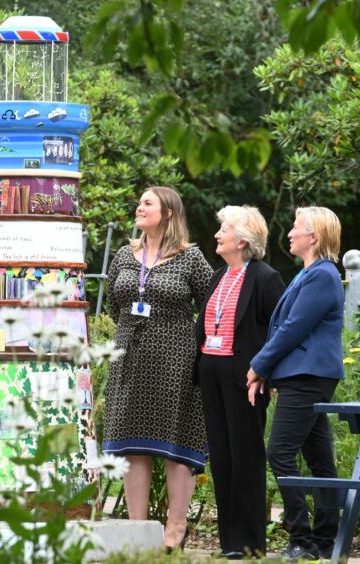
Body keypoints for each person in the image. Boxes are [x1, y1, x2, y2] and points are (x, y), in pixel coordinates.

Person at [102, 186, 213, 551]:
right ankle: (139, 534)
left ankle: (173, 534)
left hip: (175, 362)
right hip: (129, 359)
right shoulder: (124, 255)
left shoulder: (191, 258)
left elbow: (210, 306)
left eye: (147, 203)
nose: (139, 207)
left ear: (167, 213)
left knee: (175, 444)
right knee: (133, 447)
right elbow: (113, 306)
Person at [247, 206, 344, 561]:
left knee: (280, 452)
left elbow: (293, 329)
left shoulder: (322, 275)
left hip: (309, 377)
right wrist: (270, 372)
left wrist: (258, 366)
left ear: (313, 236)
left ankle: (302, 538)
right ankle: (324, 539)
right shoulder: (309, 274)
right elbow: (285, 328)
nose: (289, 233)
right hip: (303, 376)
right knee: (320, 460)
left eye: (295, 228)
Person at [193, 206, 285, 559]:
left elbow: (277, 332)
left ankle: (250, 544)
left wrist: (265, 373)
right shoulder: (219, 276)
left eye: (224, 229)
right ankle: (229, 542)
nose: (217, 235)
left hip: (245, 379)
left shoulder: (265, 277)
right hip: (212, 374)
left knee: (245, 456)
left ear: (243, 240)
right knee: (223, 458)